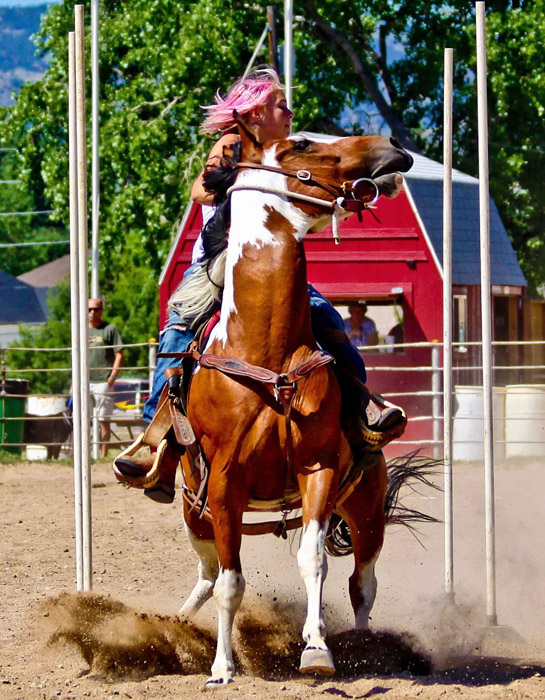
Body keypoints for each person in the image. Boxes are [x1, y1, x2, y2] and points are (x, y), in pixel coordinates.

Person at [115, 68, 405, 502]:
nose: (289, 112)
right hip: (222, 262)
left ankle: (360, 410)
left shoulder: (287, 152)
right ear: (254, 113)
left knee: (326, 319)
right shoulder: (232, 144)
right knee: (180, 326)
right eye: (280, 105)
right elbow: (199, 191)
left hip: (273, 266)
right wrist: (244, 178)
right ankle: (159, 440)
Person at [88, 298, 124, 457]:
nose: (92, 313)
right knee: (83, 419)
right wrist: (73, 382)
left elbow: (119, 353)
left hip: (103, 380)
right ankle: (85, 453)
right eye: (89, 309)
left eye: (95, 309)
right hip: (85, 381)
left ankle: (103, 454)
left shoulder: (109, 329)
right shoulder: (81, 329)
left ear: (101, 311)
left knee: (104, 420)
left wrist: (113, 375)